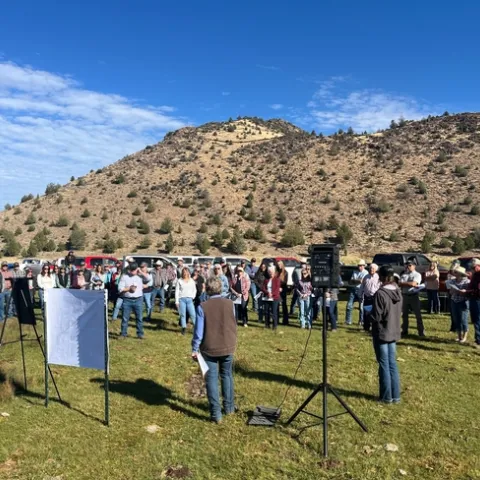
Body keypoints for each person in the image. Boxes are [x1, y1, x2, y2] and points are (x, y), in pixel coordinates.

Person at [192, 276, 237, 424]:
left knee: (211, 379)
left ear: (207, 289)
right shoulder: (230, 304)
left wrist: (194, 348)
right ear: (221, 288)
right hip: (228, 344)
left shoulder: (202, 307)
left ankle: (216, 414)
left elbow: (199, 332)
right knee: (227, 375)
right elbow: (233, 322)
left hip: (209, 347)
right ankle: (229, 408)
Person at [370, 265, 402, 404]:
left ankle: (386, 397)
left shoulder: (380, 294)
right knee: (392, 364)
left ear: (381, 277)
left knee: (383, 364)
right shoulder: (398, 291)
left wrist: (367, 315)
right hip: (394, 330)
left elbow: (377, 316)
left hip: (382, 332)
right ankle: (396, 396)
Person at [118, 262, 144, 339]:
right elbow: (120, 289)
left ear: (137, 269)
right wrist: (129, 289)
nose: (133, 272)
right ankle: (123, 334)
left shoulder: (140, 277)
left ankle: (140, 334)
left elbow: (149, 279)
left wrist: (141, 272)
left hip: (138, 299)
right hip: (127, 300)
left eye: (134, 270)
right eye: (131, 270)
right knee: (125, 318)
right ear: (129, 270)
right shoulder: (124, 277)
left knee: (139, 318)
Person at [399, 260, 425, 337]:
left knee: (418, 314)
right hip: (405, 295)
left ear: (414, 266)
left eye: (410, 265)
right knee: (404, 314)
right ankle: (404, 330)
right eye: (407, 265)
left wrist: (406, 284)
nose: (408, 266)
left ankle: (421, 331)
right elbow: (399, 284)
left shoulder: (417, 275)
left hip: (413, 295)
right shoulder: (404, 274)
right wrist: (408, 283)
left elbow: (414, 284)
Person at [446, 266, 470, 343]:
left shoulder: (467, 282)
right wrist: (453, 291)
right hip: (454, 301)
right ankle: (459, 336)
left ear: (460, 274)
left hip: (463, 301)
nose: (454, 273)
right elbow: (450, 291)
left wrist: (464, 292)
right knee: (456, 319)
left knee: (463, 319)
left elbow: (468, 293)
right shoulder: (452, 281)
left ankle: (464, 336)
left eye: (456, 272)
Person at [345, 260, 368, 325]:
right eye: (359, 265)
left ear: (364, 266)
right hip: (353, 289)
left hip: (361, 290)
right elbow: (351, 281)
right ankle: (348, 321)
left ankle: (361, 321)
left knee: (361, 307)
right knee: (349, 305)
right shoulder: (355, 272)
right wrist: (356, 281)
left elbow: (361, 281)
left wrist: (355, 281)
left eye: (361, 266)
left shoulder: (365, 272)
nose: (359, 267)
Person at [175, 267, 197, 335]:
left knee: (193, 314)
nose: (185, 273)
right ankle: (183, 328)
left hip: (189, 300)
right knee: (182, 315)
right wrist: (176, 301)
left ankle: (196, 327)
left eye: (186, 272)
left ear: (188, 272)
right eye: (183, 272)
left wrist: (192, 297)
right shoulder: (179, 280)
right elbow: (177, 291)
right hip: (182, 299)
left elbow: (194, 290)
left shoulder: (191, 281)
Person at [360, 263, 381, 332]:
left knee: (375, 313)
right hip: (367, 297)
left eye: (373, 268)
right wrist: (360, 295)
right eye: (370, 268)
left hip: (375, 297)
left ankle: (375, 327)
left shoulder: (378, 277)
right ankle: (366, 327)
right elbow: (362, 287)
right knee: (366, 312)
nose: (371, 269)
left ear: (376, 270)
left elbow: (380, 287)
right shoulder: (366, 277)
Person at [262, 265, 281, 330]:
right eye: (269, 272)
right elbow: (263, 288)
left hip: (274, 298)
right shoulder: (266, 279)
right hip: (267, 297)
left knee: (274, 312)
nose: (270, 273)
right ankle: (267, 324)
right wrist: (267, 293)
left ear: (274, 272)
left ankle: (274, 326)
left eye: (272, 272)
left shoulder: (277, 279)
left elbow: (277, 289)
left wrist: (272, 294)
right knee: (266, 311)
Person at [467, 258, 480, 349]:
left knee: (477, 319)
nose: (472, 269)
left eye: (473, 267)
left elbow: (478, 289)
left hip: (477, 299)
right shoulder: (475, 275)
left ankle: (478, 340)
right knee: (475, 319)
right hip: (473, 298)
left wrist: (469, 291)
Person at [277, 261, 289, 325]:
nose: (279, 265)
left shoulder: (285, 272)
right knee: (277, 305)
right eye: (278, 264)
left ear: (282, 265)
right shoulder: (277, 272)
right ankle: (277, 320)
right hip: (277, 290)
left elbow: (285, 282)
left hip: (283, 289)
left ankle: (285, 321)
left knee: (284, 305)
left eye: (280, 264)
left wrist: (280, 286)